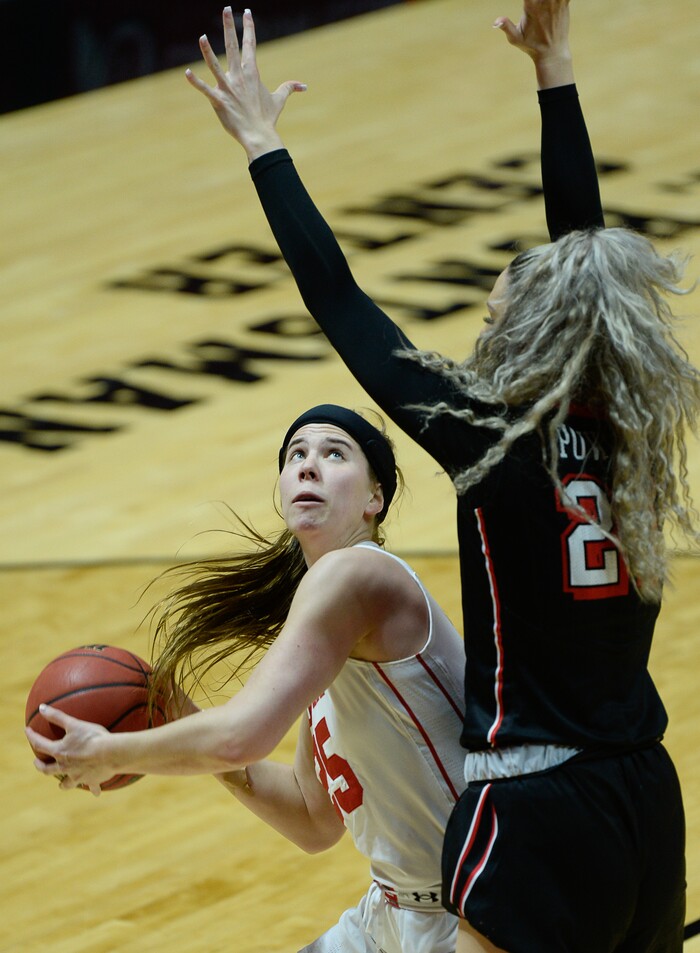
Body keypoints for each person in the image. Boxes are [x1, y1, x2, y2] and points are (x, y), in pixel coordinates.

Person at [180, 2, 699, 951]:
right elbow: (581, 256)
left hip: (538, 797)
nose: (483, 323)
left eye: (494, 309)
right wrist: (557, 75)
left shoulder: (487, 439)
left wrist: (264, 147)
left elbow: (339, 299)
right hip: (644, 789)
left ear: (525, 332)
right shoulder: (619, 424)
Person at [27, 403, 468, 953]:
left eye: (334, 454)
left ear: (374, 500)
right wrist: (180, 712)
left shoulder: (358, 575)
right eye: (296, 456)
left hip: (475, 913)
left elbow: (241, 736)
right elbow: (313, 820)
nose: (309, 466)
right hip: (394, 910)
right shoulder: (325, 625)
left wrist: (115, 751)